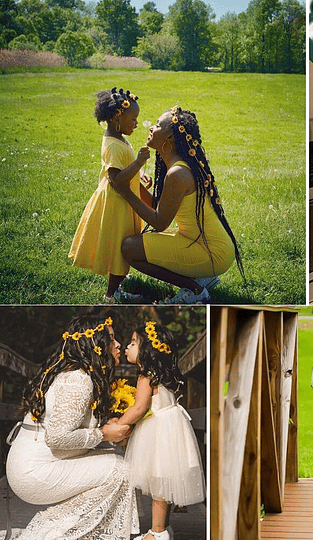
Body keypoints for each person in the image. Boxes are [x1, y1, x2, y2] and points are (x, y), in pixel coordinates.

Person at [5, 315, 139, 539]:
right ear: (96, 345)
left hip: (40, 463)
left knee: (111, 458)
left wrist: (106, 432)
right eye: (111, 339)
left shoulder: (80, 374)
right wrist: (103, 434)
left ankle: (82, 531)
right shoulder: (78, 380)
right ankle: (49, 533)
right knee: (120, 469)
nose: (118, 345)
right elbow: (57, 439)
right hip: (34, 472)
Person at [108, 106, 244, 304]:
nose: (151, 128)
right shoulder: (179, 166)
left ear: (170, 139)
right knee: (138, 241)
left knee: (129, 247)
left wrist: (125, 191)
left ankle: (195, 288)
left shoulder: (177, 174)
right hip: (206, 244)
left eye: (157, 125)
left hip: (212, 252)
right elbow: (161, 208)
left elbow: (160, 222)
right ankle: (202, 276)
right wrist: (134, 185)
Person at [118, 321, 205, 540]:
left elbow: (139, 408)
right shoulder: (163, 375)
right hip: (171, 428)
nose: (127, 347)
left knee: (159, 485)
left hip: (159, 433)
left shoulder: (146, 376)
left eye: (132, 343)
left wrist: (119, 423)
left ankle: (156, 533)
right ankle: (163, 528)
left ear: (147, 350)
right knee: (163, 483)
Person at [69, 87, 151, 303]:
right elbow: (116, 179)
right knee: (118, 244)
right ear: (118, 117)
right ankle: (111, 295)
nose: (135, 123)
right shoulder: (113, 145)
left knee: (122, 242)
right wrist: (139, 162)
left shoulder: (119, 138)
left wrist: (140, 173)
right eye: (133, 119)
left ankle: (119, 281)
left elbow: (123, 167)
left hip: (123, 200)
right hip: (117, 203)